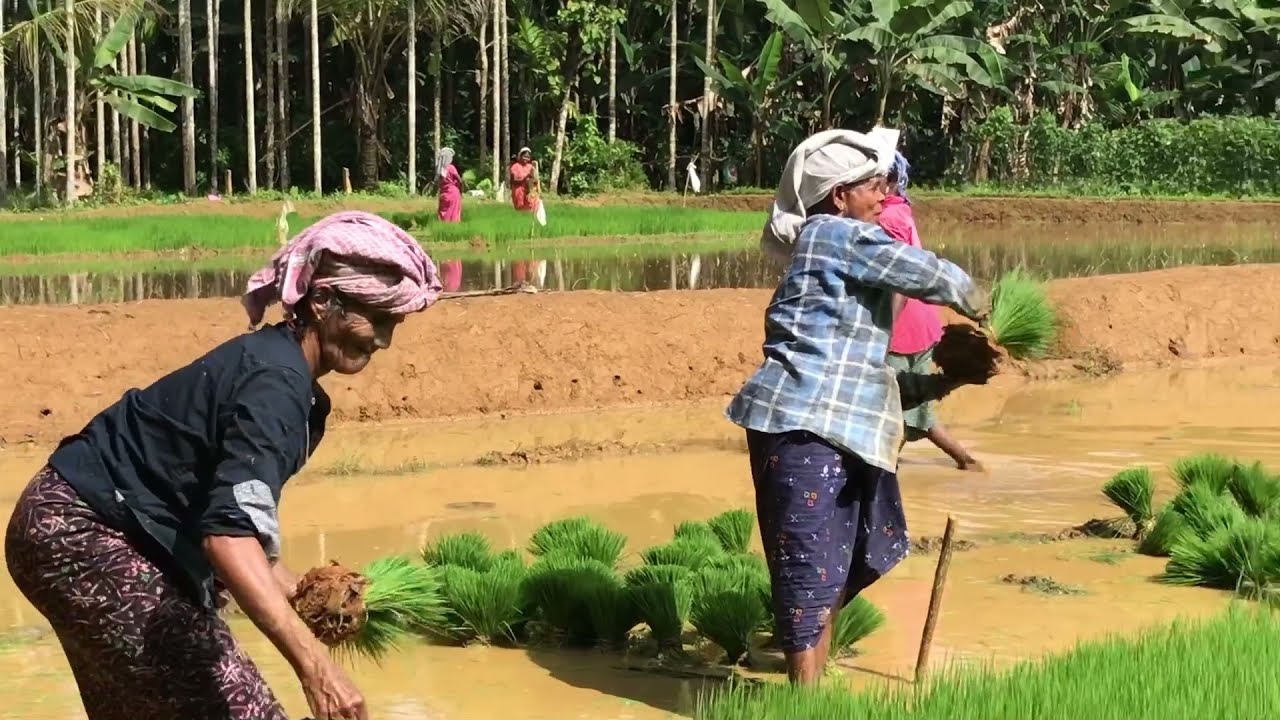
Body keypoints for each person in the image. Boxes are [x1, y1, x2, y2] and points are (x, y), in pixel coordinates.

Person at [5, 211, 443, 720]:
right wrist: (318, 669)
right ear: (323, 302)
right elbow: (228, 540)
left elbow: (239, 528)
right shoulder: (277, 384)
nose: (385, 340)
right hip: (82, 532)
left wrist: (307, 599)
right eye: (378, 318)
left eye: (394, 322)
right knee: (236, 706)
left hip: (70, 526)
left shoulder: (286, 378)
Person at [727, 129, 988, 685]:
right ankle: (806, 694)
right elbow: (930, 274)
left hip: (839, 427)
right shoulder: (832, 233)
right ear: (839, 196)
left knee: (858, 551)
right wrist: (987, 305)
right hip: (800, 425)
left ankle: (810, 681)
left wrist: (945, 384)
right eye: (873, 186)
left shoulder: (842, 264)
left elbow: (868, 373)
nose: (884, 195)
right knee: (808, 567)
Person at [881, 152, 982, 471]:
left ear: (891, 181)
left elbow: (900, 278)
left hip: (902, 329)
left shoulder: (888, 218)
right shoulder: (899, 210)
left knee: (893, 407)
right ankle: (966, 461)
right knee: (913, 408)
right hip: (922, 323)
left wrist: (886, 329)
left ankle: (885, 471)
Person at [436, 148, 464, 223]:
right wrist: (461, 191)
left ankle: (444, 229)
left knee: (444, 214)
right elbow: (460, 181)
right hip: (453, 193)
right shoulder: (451, 168)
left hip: (443, 194)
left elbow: (438, 183)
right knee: (453, 215)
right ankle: (452, 230)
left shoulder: (440, 169)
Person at [509, 147, 540, 212]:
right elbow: (515, 179)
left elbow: (535, 179)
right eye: (524, 156)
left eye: (528, 157)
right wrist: (525, 178)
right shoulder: (515, 166)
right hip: (518, 190)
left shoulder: (530, 166)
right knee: (520, 209)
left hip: (529, 191)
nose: (526, 158)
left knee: (531, 208)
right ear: (520, 156)